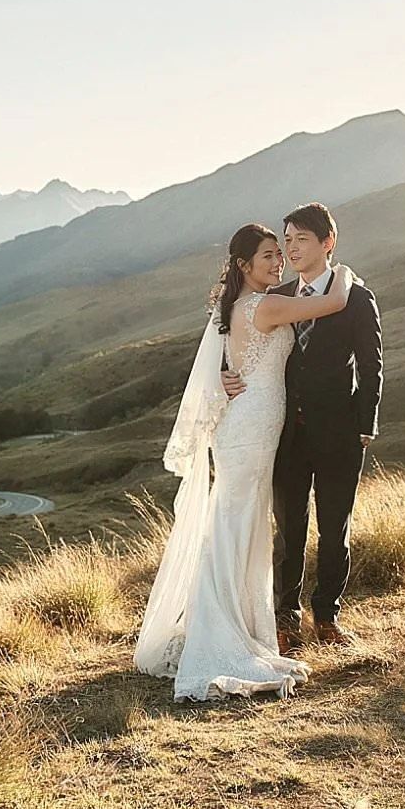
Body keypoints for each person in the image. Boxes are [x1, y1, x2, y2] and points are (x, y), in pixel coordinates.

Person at [134, 223, 357, 701]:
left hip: (251, 427)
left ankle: (237, 624)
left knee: (242, 524)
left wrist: (223, 375)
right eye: (269, 256)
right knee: (235, 525)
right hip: (249, 430)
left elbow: (235, 357)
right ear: (244, 265)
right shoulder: (263, 305)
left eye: (280, 253)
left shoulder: (241, 304)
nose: (279, 262)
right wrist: (342, 271)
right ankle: (220, 634)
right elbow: (335, 301)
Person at [222, 202, 382, 652]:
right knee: (288, 531)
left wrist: (365, 424)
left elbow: (371, 366)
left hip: (339, 433)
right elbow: (236, 341)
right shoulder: (279, 295)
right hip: (284, 435)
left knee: (334, 530)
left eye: (301, 240)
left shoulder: (358, 298)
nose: (290, 249)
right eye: (287, 240)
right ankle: (285, 618)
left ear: (328, 243)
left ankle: (327, 616)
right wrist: (223, 376)